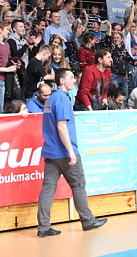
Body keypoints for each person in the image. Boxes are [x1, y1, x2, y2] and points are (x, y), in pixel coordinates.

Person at [36, 68, 107, 237]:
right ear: (62, 81)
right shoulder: (62, 98)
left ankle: (43, 227)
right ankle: (87, 220)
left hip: (50, 151)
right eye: (71, 77)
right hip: (63, 152)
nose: (74, 80)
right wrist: (71, 152)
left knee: (48, 189)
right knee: (78, 185)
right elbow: (61, 126)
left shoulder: (50, 99)